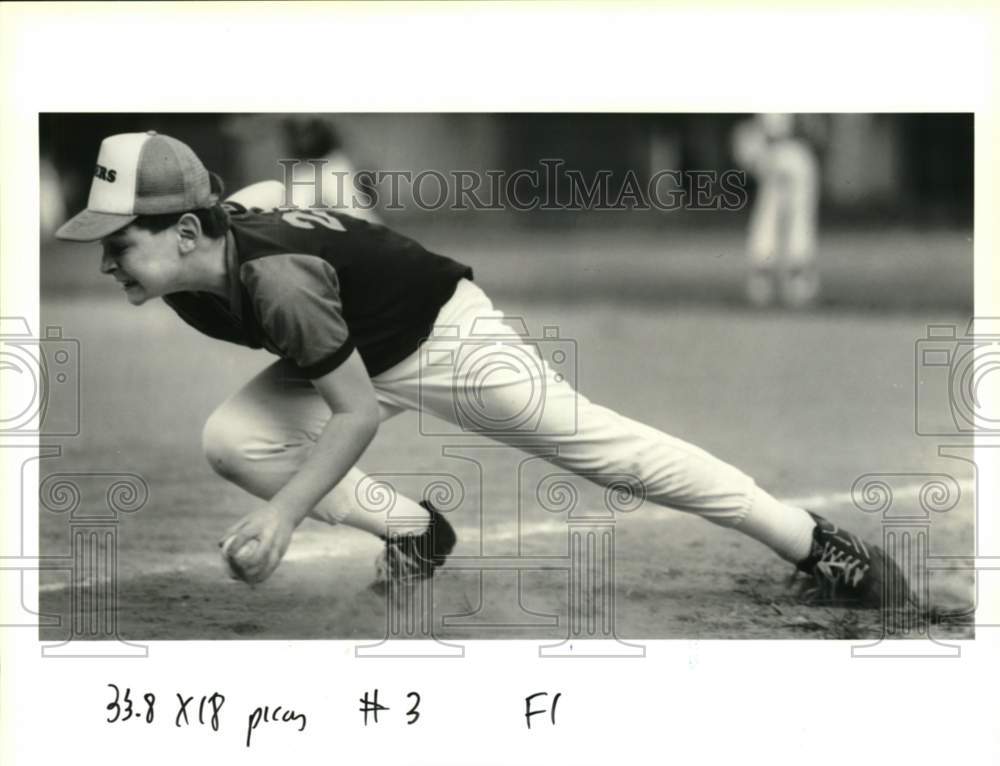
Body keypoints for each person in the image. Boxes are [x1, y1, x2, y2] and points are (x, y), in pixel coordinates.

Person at [56, 130, 907, 606]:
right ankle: (416, 533)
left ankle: (816, 543)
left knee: (610, 453)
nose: (106, 260)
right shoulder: (188, 270)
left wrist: (282, 517)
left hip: (448, 341)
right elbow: (270, 209)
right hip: (356, 339)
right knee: (234, 437)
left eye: (119, 240)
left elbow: (350, 413)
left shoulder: (270, 280)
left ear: (189, 232)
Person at [732, 114, 821, 308]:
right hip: (776, 150)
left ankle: (792, 280)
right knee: (771, 219)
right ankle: (769, 280)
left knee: (792, 220)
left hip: (789, 151)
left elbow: (813, 127)